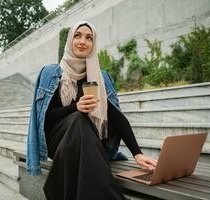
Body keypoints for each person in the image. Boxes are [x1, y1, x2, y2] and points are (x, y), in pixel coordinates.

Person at [26, 20, 157, 200]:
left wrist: (137, 153)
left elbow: (116, 116)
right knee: (78, 119)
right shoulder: (51, 73)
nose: (82, 41)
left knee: (80, 124)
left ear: (93, 44)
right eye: (77, 36)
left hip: (89, 142)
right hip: (58, 140)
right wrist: (76, 107)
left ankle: (55, 190)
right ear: (70, 40)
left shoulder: (99, 77)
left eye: (89, 38)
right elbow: (46, 118)